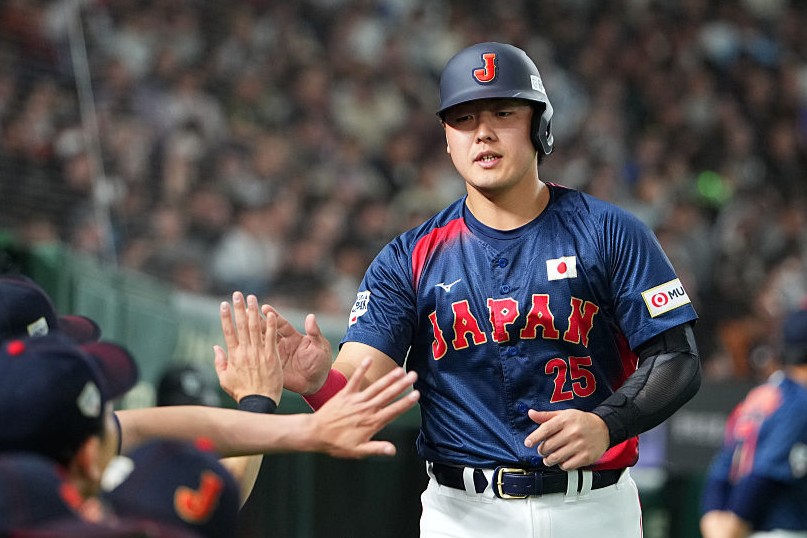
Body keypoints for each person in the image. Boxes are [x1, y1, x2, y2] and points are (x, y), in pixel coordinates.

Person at [265, 42, 702, 537]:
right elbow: (356, 399)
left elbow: (677, 358)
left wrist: (608, 423)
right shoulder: (408, 258)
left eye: (503, 113)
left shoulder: (609, 232)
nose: (483, 132)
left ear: (540, 125)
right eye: (464, 118)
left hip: (593, 508)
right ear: (447, 139)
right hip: (463, 514)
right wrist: (318, 381)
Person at [700, 305, 807, 538]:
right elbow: (765, 473)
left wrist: (714, 522)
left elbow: (721, 469)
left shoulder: (761, 395)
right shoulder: (801, 401)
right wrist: (734, 525)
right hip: (781, 528)